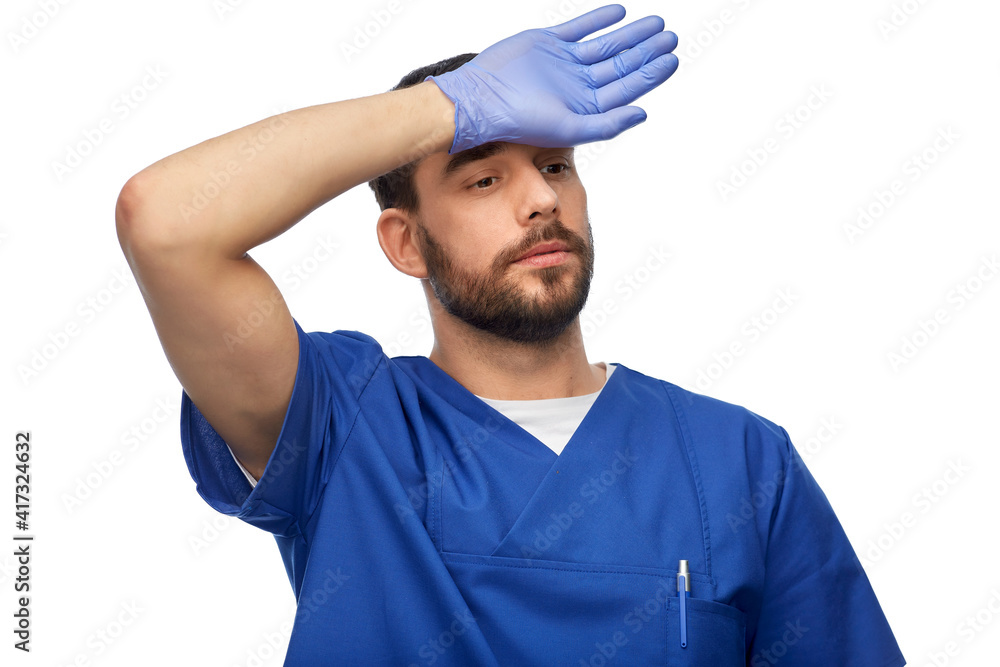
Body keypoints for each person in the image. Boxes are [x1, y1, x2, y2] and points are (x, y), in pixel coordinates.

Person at [116, 4, 905, 665]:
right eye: (485, 176)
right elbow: (164, 221)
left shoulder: (739, 461)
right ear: (405, 243)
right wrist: (452, 104)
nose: (539, 200)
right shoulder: (339, 426)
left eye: (556, 165)